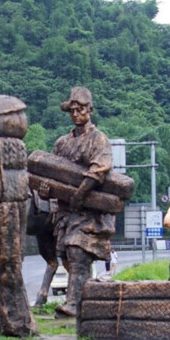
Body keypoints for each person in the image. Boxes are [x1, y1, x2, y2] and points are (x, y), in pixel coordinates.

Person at [51, 87, 115, 317]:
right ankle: (86, 301)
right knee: (67, 256)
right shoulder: (62, 143)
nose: (76, 114)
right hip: (65, 211)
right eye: (73, 110)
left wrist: (80, 193)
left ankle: (74, 305)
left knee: (77, 252)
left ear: (90, 110)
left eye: (81, 110)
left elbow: (100, 169)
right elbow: (53, 172)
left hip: (89, 210)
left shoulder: (98, 139)